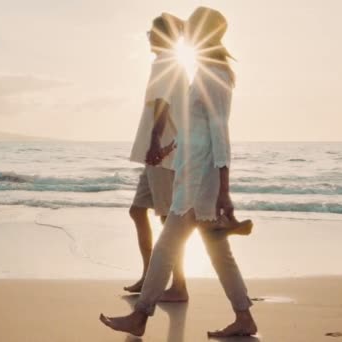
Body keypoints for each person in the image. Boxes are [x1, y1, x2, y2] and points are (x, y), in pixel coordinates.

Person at [100, 7, 258, 338]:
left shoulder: (213, 72)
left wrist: (224, 190)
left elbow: (219, 131)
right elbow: (194, 128)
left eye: (190, 27)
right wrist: (170, 149)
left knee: (167, 246)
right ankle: (243, 317)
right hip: (194, 176)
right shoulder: (205, 69)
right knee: (218, 251)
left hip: (200, 184)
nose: (185, 33)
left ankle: (141, 315)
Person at [125, 13, 189, 302]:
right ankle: (151, 276)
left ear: (162, 36)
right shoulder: (166, 63)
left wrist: (154, 141)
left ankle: (178, 285)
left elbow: (162, 106)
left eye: (151, 31)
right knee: (138, 211)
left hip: (162, 155)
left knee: (167, 220)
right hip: (157, 156)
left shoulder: (166, 63)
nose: (148, 36)